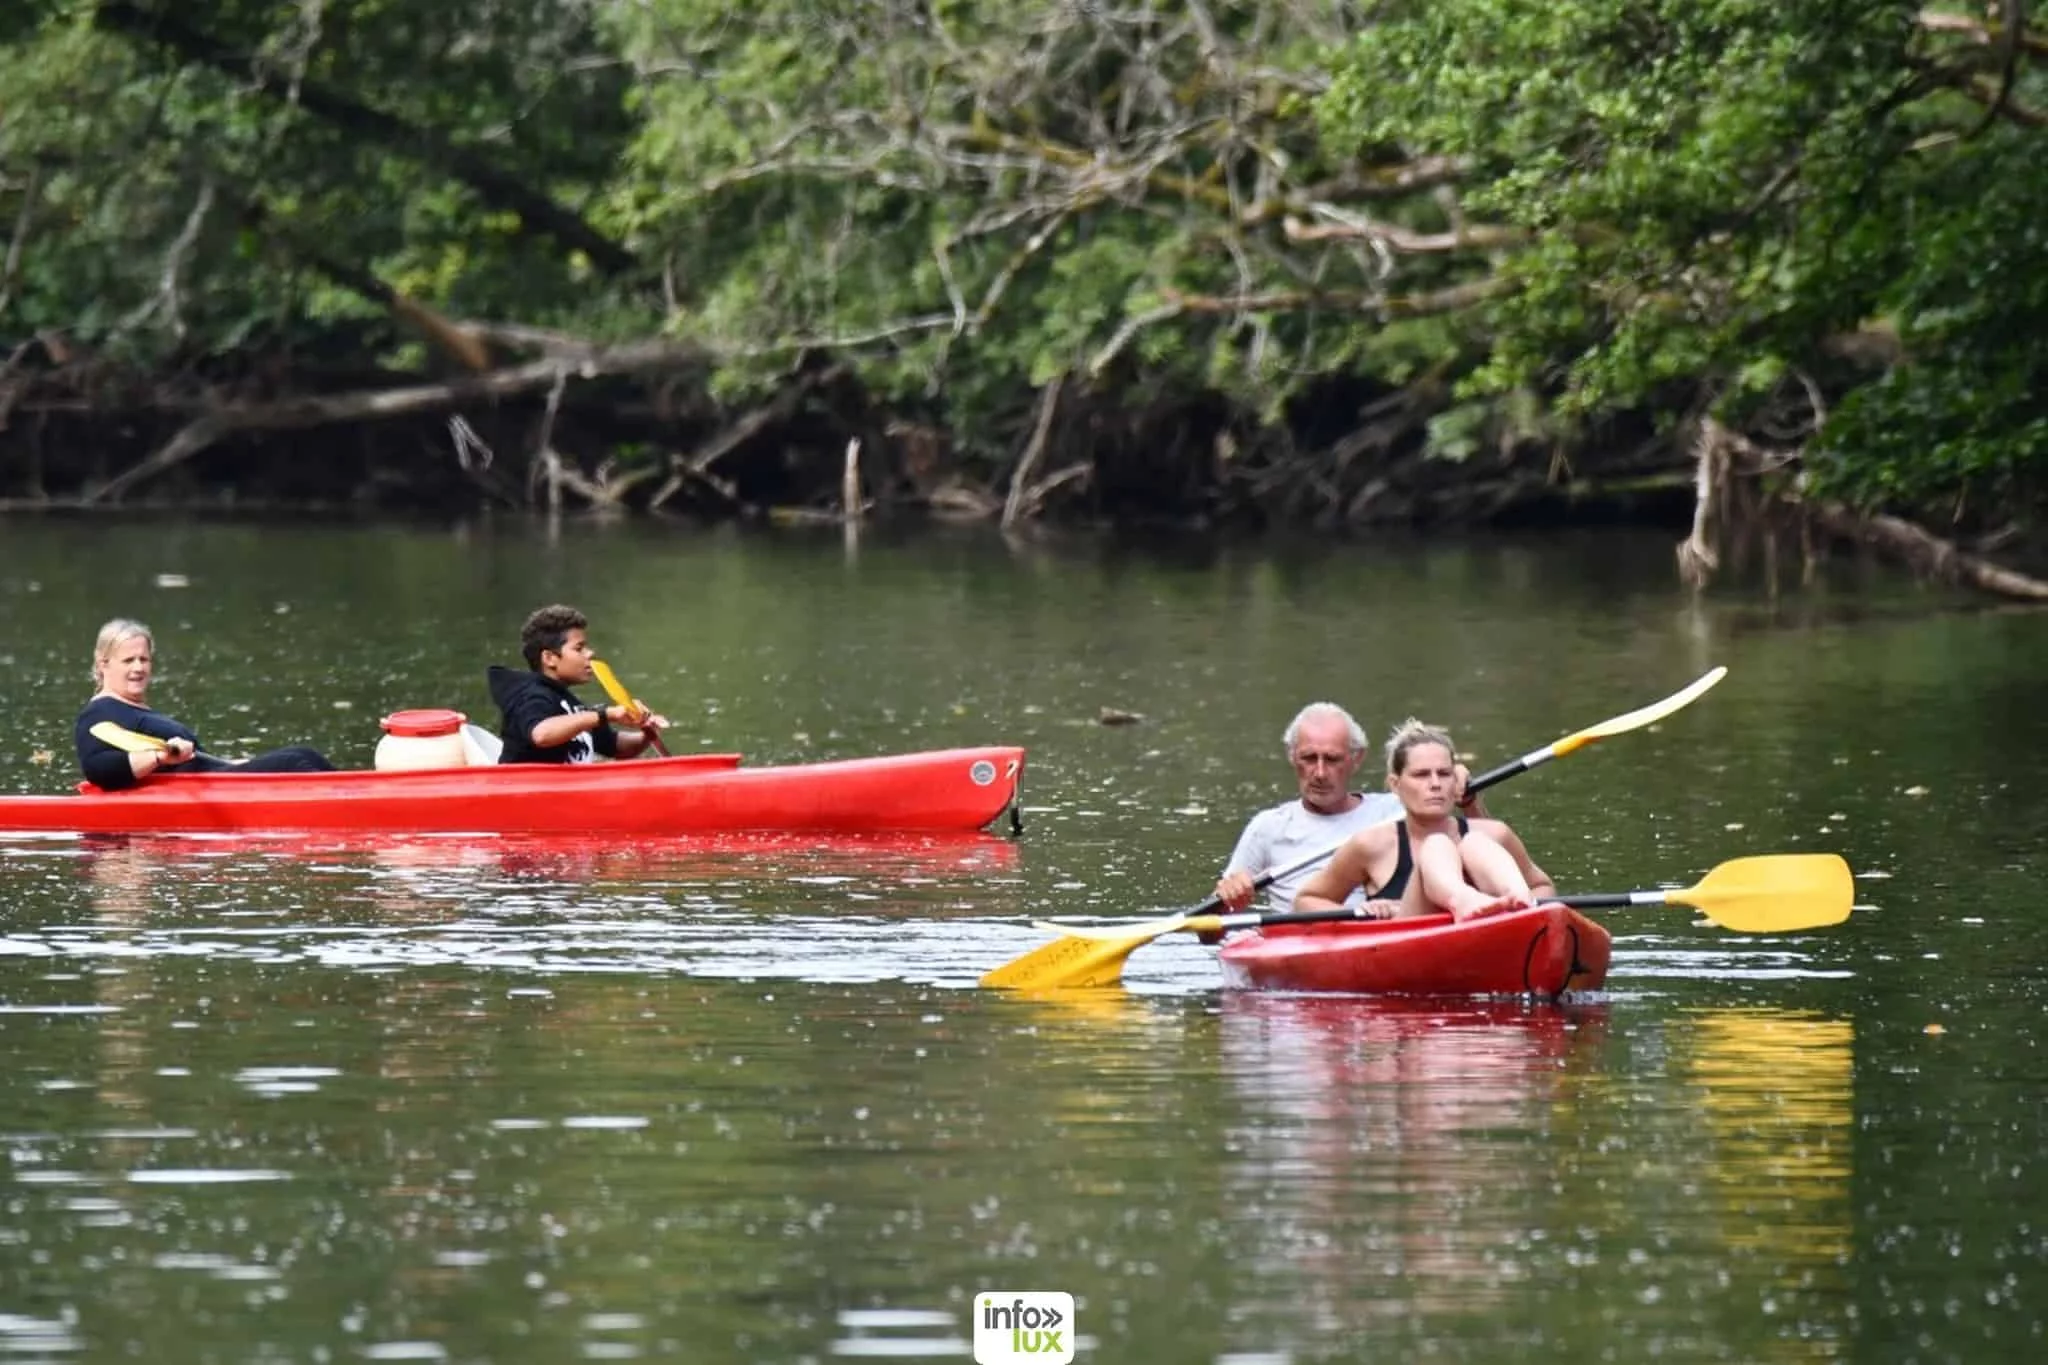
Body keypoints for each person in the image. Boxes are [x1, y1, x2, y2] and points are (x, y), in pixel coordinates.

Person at [1294, 717, 1555, 923]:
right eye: (1421, 775)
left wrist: (1535, 904)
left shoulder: (1495, 833)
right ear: (1395, 784)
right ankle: (1464, 901)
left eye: (1444, 774)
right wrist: (1362, 913)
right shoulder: (1371, 844)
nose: (1435, 784)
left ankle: (1520, 903)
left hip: (1492, 936)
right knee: (1437, 845)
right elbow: (1306, 900)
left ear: (1456, 780)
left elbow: (1543, 887)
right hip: (1407, 945)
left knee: (1477, 842)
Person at [74, 618, 336, 791]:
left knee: (304, 755)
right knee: (294, 761)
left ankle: (354, 796)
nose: (139, 668)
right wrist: (159, 756)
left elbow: (201, 761)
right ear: (103, 664)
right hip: (199, 790)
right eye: (128, 660)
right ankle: (348, 805)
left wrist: (238, 763)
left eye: (144, 659)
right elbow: (98, 769)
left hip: (215, 778)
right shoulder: (99, 712)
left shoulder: (138, 710)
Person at [1213, 703, 1404, 915]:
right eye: (1309, 758)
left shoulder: (1396, 811)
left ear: (1356, 758)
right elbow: (1212, 925)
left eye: (1332, 759)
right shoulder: (1267, 828)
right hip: (1298, 931)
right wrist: (1229, 897)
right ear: (1292, 756)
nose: (1320, 773)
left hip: (1380, 926)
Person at [488, 604, 670, 765]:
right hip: (526, 790)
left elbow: (617, 747)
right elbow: (542, 734)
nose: (590, 653)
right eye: (579, 648)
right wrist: (605, 714)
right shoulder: (530, 695)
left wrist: (647, 733)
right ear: (549, 658)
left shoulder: (570, 703)